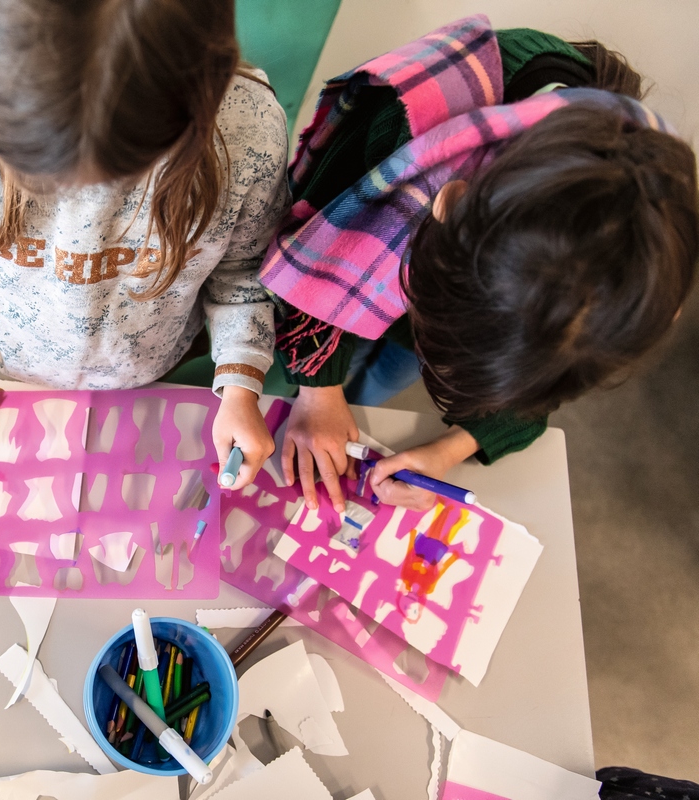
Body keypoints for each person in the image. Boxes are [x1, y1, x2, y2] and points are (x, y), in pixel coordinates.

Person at [260, 16, 698, 512]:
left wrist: (449, 450)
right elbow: (316, 254)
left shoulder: (635, 272)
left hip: (424, 293)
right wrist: (319, 392)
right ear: (446, 204)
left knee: (374, 388)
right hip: (338, 290)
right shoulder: (407, 113)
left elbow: (534, 378)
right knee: (317, 377)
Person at [0, 0, 290, 489]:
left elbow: (244, 268)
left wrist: (241, 386)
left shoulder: (249, 130)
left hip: (155, 359)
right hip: (5, 349)